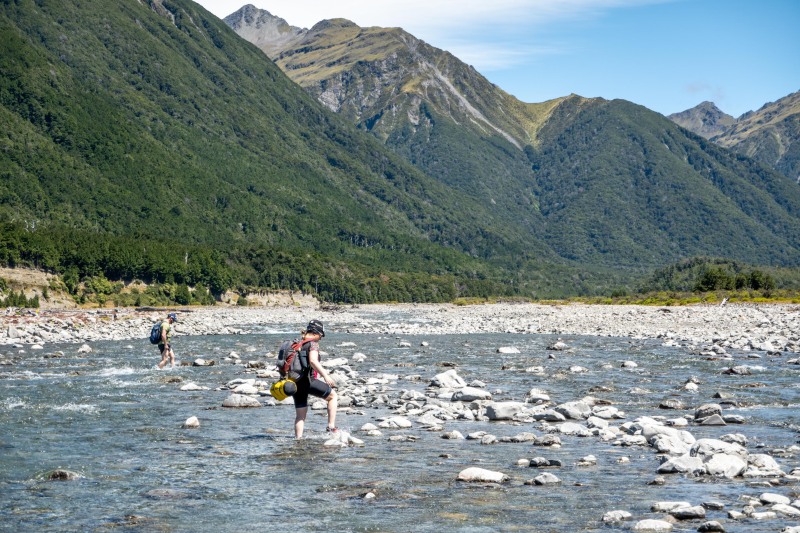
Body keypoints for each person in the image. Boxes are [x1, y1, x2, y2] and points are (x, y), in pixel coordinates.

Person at [293, 319, 338, 439]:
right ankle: (331, 427)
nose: (321, 338)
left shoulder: (298, 343)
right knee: (333, 396)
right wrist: (326, 376)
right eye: (320, 335)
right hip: (308, 381)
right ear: (315, 332)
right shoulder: (313, 344)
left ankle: (298, 440)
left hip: (295, 382)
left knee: (300, 416)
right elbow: (313, 361)